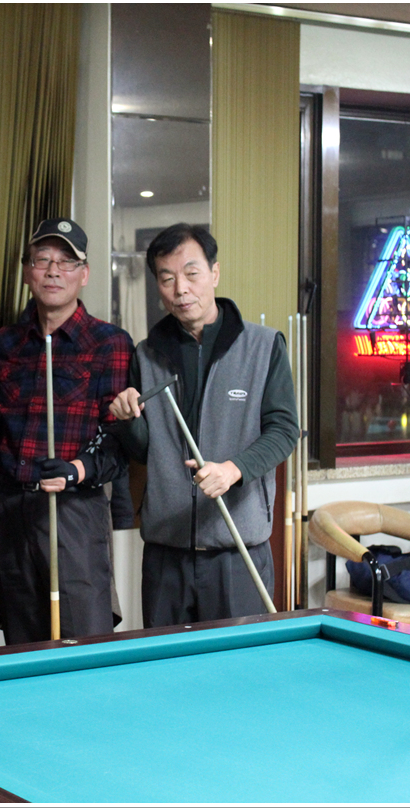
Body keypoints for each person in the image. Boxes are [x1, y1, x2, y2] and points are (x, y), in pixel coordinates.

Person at [110, 223, 299, 628]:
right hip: (166, 552)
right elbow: (144, 451)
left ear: (214, 273)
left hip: (237, 548)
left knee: (239, 664)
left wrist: (233, 470)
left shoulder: (263, 346)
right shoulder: (146, 355)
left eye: (191, 273)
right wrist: (126, 422)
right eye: (167, 278)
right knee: (167, 663)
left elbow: (284, 431)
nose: (181, 289)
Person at [0, 218, 134, 644]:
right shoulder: (5, 343)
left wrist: (76, 470)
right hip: (11, 510)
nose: (54, 271)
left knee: (81, 640)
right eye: (43, 260)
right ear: (27, 271)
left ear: (83, 274)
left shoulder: (110, 342)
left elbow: (118, 442)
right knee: (22, 643)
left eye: (67, 262)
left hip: (73, 510)